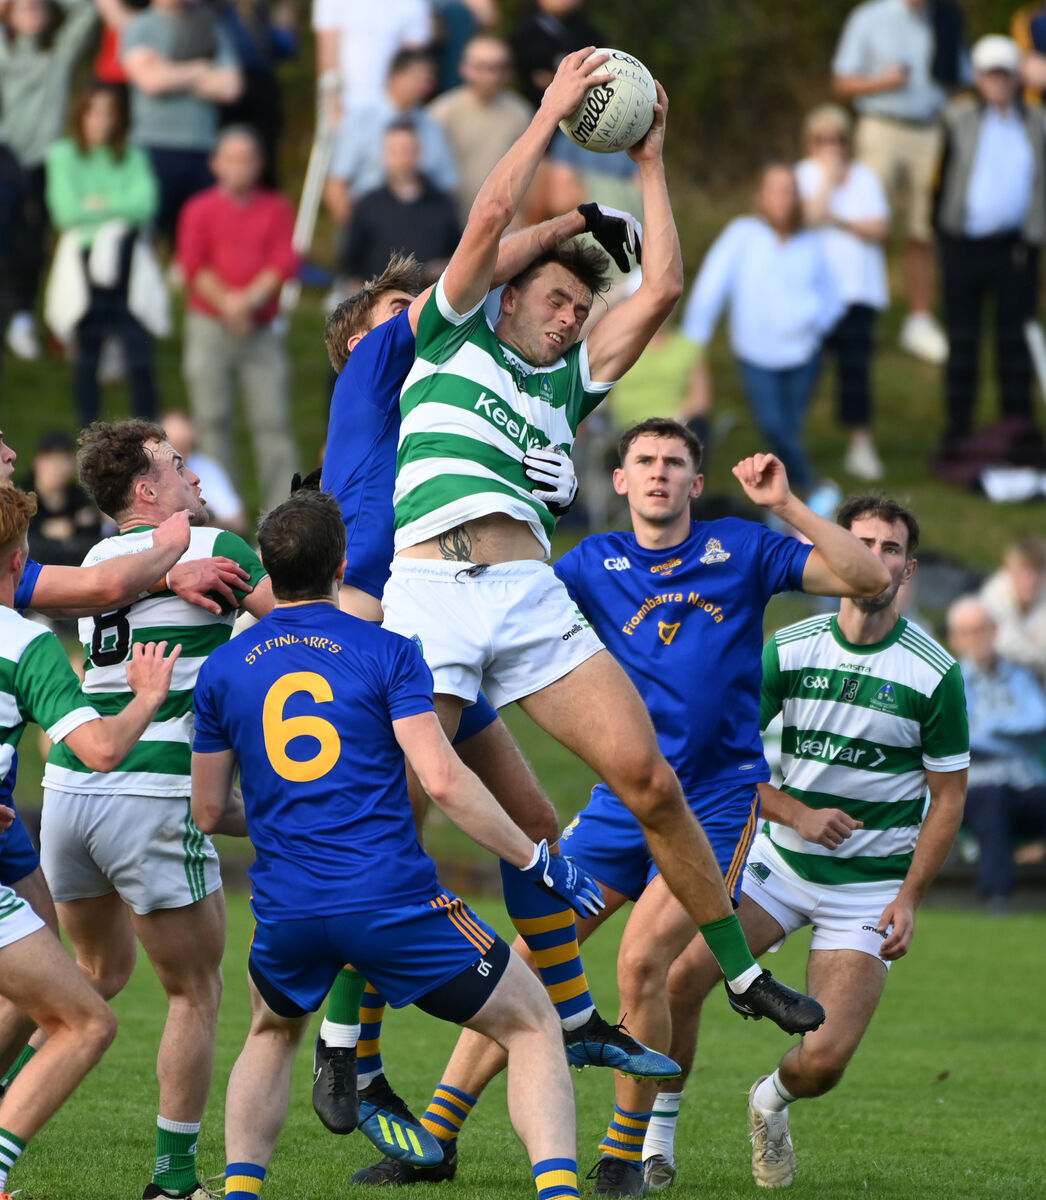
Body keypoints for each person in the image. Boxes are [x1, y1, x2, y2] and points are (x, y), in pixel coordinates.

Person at [366, 58, 834, 1190]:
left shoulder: (563, 382)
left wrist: (653, 160)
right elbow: (489, 216)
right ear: (508, 295)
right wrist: (545, 116)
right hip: (432, 591)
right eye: (557, 299)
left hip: (525, 595)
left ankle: (739, 973)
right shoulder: (451, 336)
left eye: (581, 307)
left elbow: (661, 286)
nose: (572, 314)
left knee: (650, 783)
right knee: (400, 806)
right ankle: (351, 1046)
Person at [392, 419, 889, 1198]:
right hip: (620, 804)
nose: (659, 473)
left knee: (641, 962)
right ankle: (435, 1136)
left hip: (714, 804)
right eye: (645, 461)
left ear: (696, 481)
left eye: (675, 462)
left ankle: (625, 1155)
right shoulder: (590, 564)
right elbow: (501, 618)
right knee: (531, 956)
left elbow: (867, 578)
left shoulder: (740, 548)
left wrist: (786, 504)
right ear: (620, 481)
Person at [315, 217, 686, 1176]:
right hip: (393, 632)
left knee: (532, 822)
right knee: (389, 837)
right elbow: (480, 262)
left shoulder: (450, 389)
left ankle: (570, 1017)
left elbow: (503, 433)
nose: (422, 319)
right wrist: (568, 224)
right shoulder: (375, 377)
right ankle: (344, 1050)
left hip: (455, 629)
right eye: (398, 314)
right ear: (359, 342)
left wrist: (539, 477)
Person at [191, 487, 606, 1200]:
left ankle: (240, 1191)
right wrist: (534, 858)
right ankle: (559, 1192)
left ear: (267, 568)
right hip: (391, 902)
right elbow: (443, 780)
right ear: (341, 566)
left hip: (289, 909)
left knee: (270, 1032)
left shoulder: (223, 670)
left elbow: (207, 811)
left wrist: (293, 818)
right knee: (534, 1023)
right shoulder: (389, 651)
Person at [645, 493, 969, 1191]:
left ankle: (769, 1101)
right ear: (834, 555)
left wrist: (910, 898)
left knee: (822, 1063)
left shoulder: (934, 672)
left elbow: (949, 798)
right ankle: (656, 1139)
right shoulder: (789, 649)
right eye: (863, 544)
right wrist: (796, 814)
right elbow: (724, 764)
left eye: (890, 548)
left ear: (909, 569)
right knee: (677, 979)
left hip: (868, 889)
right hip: (778, 866)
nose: (876, 559)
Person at [36, 418, 274, 1200]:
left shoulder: (94, 563)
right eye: (178, 465)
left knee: (90, 976)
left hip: (71, 791)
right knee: (194, 992)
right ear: (146, 490)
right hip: (156, 789)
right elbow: (301, 616)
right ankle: (173, 1182)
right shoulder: (219, 547)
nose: (195, 477)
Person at [0, 484, 179, 1196]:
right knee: (86, 1023)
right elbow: (100, 749)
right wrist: (148, 698)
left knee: (44, 977)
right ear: (19, 562)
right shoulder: (23, 643)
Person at [680, 163, 844, 505]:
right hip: (756, 353)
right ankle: (814, 488)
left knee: (789, 429)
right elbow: (712, 285)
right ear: (761, 195)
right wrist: (693, 340)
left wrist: (816, 328)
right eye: (775, 190)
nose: (782, 198)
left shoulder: (811, 242)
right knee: (773, 424)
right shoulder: (743, 234)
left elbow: (833, 295)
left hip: (803, 353)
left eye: (789, 190)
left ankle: (783, 501)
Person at [832, 0, 967, 365]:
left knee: (925, 228)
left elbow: (963, 79)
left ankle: (919, 321)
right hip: (881, 127)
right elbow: (841, 82)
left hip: (932, 130)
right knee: (866, 224)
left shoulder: (946, 16)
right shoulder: (870, 17)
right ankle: (856, 315)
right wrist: (883, 82)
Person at [176, 125, 299, 518]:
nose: (239, 167)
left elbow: (283, 262)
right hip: (208, 326)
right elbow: (193, 264)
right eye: (231, 158)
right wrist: (230, 305)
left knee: (273, 422)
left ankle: (285, 514)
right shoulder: (198, 209)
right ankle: (221, 511)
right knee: (211, 421)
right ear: (216, 163)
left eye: (246, 159)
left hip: (261, 327)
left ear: (258, 164)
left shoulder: (276, 209)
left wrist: (246, 303)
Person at [934, 35, 1044, 457]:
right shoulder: (958, 118)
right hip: (963, 245)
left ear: (1016, 77)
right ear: (978, 78)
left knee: (1015, 342)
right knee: (963, 341)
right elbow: (939, 175)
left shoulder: (1035, 121)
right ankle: (958, 431)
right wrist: (942, 231)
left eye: (1005, 74)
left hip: (1016, 249)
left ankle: (1018, 430)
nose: (998, 82)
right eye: (990, 74)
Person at [45, 81, 160, 425]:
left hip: (127, 259)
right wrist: (119, 208)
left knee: (138, 350)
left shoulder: (133, 154)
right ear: (81, 115)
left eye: (109, 113)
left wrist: (98, 204)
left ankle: (148, 434)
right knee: (88, 354)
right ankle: (90, 435)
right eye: (94, 113)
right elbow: (65, 212)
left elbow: (146, 205)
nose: (101, 121)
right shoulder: (63, 155)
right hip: (83, 263)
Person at [0, 0, 98, 362]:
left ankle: (22, 317)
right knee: (5, 238)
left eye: (38, 7)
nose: (32, 13)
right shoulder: (5, 54)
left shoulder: (58, 54)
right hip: (5, 157)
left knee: (33, 243)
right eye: (24, 7)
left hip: (45, 162)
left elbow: (86, 13)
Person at [796, 104, 890, 482]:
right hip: (814, 293)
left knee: (856, 370)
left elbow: (879, 227)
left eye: (837, 139)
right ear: (811, 143)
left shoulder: (866, 178)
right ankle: (791, 438)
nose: (831, 147)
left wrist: (839, 219)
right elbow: (807, 219)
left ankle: (860, 443)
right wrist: (828, 183)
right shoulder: (803, 175)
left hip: (858, 292)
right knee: (806, 367)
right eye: (822, 140)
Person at [947, 594, 1046, 911]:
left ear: (995, 630)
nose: (977, 638)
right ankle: (997, 898)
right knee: (992, 800)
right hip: (976, 787)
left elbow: (1039, 722)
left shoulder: (1019, 675)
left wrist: (988, 727)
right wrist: (1016, 736)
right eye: (969, 632)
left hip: (1026, 783)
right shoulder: (950, 682)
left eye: (982, 629)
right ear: (955, 639)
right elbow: (961, 740)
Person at [120, 0, 243, 242]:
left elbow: (231, 88)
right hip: (152, 146)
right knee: (146, 235)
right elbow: (152, 82)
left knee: (199, 237)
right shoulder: (139, 26)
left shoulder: (209, 25)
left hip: (203, 147)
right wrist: (200, 69)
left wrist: (168, 71)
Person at [323, 48, 457, 232]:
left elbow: (446, 185)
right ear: (396, 77)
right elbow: (335, 185)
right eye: (419, 78)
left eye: (429, 80)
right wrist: (357, 234)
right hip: (370, 228)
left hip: (421, 230)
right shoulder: (360, 121)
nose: (426, 86)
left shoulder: (431, 126)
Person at [428, 33, 533, 226]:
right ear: (464, 69)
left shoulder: (520, 113)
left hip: (506, 226)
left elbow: (532, 174)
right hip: (453, 225)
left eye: (498, 67)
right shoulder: (441, 113)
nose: (490, 75)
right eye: (482, 67)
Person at [342, 120, 460, 289]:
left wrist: (442, 269)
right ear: (383, 155)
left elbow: (458, 255)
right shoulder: (368, 206)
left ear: (419, 153)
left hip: (431, 298)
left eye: (407, 150)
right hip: (380, 300)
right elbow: (351, 267)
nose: (402, 159)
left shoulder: (442, 204)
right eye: (394, 151)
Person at [312, 0, 433, 135]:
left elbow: (414, 59)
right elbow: (328, 55)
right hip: (346, 108)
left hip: (395, 111)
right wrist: (332, 105)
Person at [19, 430, 102, 569]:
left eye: (64, 461)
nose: (57, 468)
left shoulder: (78, 496)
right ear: (37, 462)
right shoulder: (22, 494)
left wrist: (68, 527)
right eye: (52, 461)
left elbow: (92, 527)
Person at [161, 408, 247, 535]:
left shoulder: (208, 468)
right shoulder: (152, 474)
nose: (181, 456)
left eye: (185, 445)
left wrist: (206, 521)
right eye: (175, 446)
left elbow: (238, 522)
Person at [979, 537, 1046, 684]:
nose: (1031, 580)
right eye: (1023, 571)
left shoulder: (1043, 593)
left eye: (1038, 571)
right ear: (1008, 571)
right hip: (1000, 679)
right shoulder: (994, 594)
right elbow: (1005, 644)